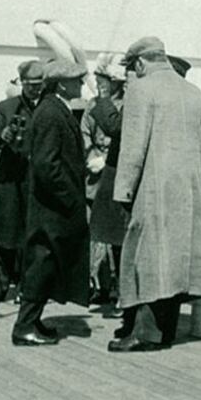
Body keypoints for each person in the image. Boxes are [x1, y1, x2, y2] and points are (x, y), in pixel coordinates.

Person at [109, 36, 201, 353]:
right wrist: (199, 194)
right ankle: (165, 331)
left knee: (146, 261)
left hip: (152, 190)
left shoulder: (142, 89)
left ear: (140, 63)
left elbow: (132, 150)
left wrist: (123, 193)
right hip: (188, 192)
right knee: (175, 263)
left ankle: (144, 334)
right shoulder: (194, 93)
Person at [12, 57, 90, 346]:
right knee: (41, 263)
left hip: (52, 206)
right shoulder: (51, 113)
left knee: (44, 263)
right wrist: (69, 197)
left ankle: (32, 322)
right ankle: (24, 327)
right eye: (77, 80)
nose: (81, 83)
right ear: (62, 84)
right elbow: (47, 165)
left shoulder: (54, 109)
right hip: (52, 208)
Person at [0, 60, 43, 305]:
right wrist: (1, 136)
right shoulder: (8, 107)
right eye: (30, 85)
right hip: (9, 182)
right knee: (1, 236)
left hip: (34, 182)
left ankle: (24, 287)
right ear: (22, 83)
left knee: (29, 238)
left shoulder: (49, 107)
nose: (34, 90)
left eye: (39, 85)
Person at [83, 56, 129, 306]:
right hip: (95, 176)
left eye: (107, 80)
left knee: (119, 239)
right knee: (96, 235)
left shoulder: (128, 105)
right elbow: (84, 134)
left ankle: (120, 289)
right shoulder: (93, 106)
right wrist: (92, 156)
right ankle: (98, 285)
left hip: (116, 173)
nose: (103, 84)